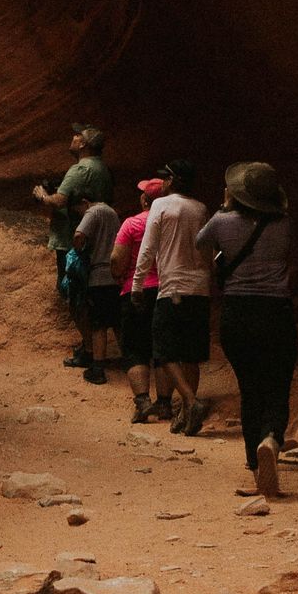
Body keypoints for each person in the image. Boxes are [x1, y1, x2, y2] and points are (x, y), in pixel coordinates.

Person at [198, 162, 296, 497]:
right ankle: (271, 437)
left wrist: (225, 209)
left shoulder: (222, 221)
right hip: (276, 312)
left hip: (237, 313)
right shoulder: (284, 224)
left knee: (250, 388)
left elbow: (200, 243)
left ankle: (257, 470)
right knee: (278, 384)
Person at [139, 157, 212, 433]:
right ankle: (186, 413)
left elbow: (148, 249)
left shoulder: (160, 204)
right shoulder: (201, 208)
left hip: (172, 288)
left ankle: (191, 402)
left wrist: (136, 286)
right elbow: (205, 249)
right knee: (191, 354)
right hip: (199, 288)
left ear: (172, 181)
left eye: (166, 178)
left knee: (164, 351)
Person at [34, 125, 114, 311]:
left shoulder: (80, 169)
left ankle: (86, 337)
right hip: (96, 238)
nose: (73, 137)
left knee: (73, 293)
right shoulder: (103, 168)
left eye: (77, 135)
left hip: (74, 238)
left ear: (83, 144)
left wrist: (43, 196)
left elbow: (60, 201)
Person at [114, 176, 171, 424]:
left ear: (144, 199)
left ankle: (142, 402)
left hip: (135, 290)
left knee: (136, 349)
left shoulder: (132, 224)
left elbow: (118, 259)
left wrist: (119, 276)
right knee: (162, 349)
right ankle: (165, 404)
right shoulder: (172, 224)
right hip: (166, 290)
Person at [72, 194, 122, 384]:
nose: (81, 214)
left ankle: (98, 369)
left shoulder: (93, 211)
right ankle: (129, 361)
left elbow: (79, 235)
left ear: (84, 202)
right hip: (115, 275)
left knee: (98, 325)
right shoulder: (112, 213)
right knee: (118, 323)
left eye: (79, 210)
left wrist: (79, 250)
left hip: (99, 276)